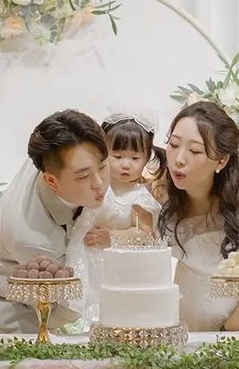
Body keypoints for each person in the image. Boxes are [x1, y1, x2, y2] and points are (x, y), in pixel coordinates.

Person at [0, 109, 109, 333]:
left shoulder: (60, 149)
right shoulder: (31, 237)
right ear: (51, 180)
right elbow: (65, 304)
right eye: (83, 176)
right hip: (3, 306)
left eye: (103, 166)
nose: (99, 183)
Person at [158, 100, 239, 332]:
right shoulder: (165, 196)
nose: (179, 159)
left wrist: (229, 330)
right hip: (184, 326)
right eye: (173, 145)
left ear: (222, 160)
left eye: (195, 151)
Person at [65, 111, 165, 324]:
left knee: (106, 308)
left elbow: (145, 234)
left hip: (114, 265)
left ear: (147, 158)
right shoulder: (97, 184)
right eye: (117, 156)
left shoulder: (138, 196)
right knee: (76, 305)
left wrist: (111, 236)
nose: (126, 165)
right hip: (83, 255)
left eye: (135, 158)